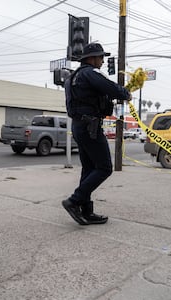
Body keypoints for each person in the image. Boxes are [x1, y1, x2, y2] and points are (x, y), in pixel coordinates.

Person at [62, 42, 132, 225]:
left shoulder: (73, 77)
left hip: (80, 126)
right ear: (91, 58)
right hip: (90, 126)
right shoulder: (90, 73)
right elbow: (111, 88)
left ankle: (86, 211)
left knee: (89, 168)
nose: (102, 60)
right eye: (101, 57)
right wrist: (126, 94)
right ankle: (74, 201)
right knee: (104, 168)